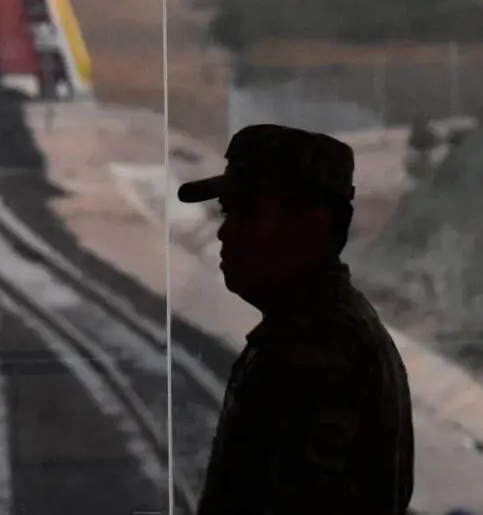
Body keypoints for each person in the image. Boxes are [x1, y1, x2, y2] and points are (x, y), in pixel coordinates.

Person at [178, 123, 415, 515]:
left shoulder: (318, 351)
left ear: (314, 225)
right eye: (227, 213)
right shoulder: (317, 333)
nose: (224, 233)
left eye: (247, 215)